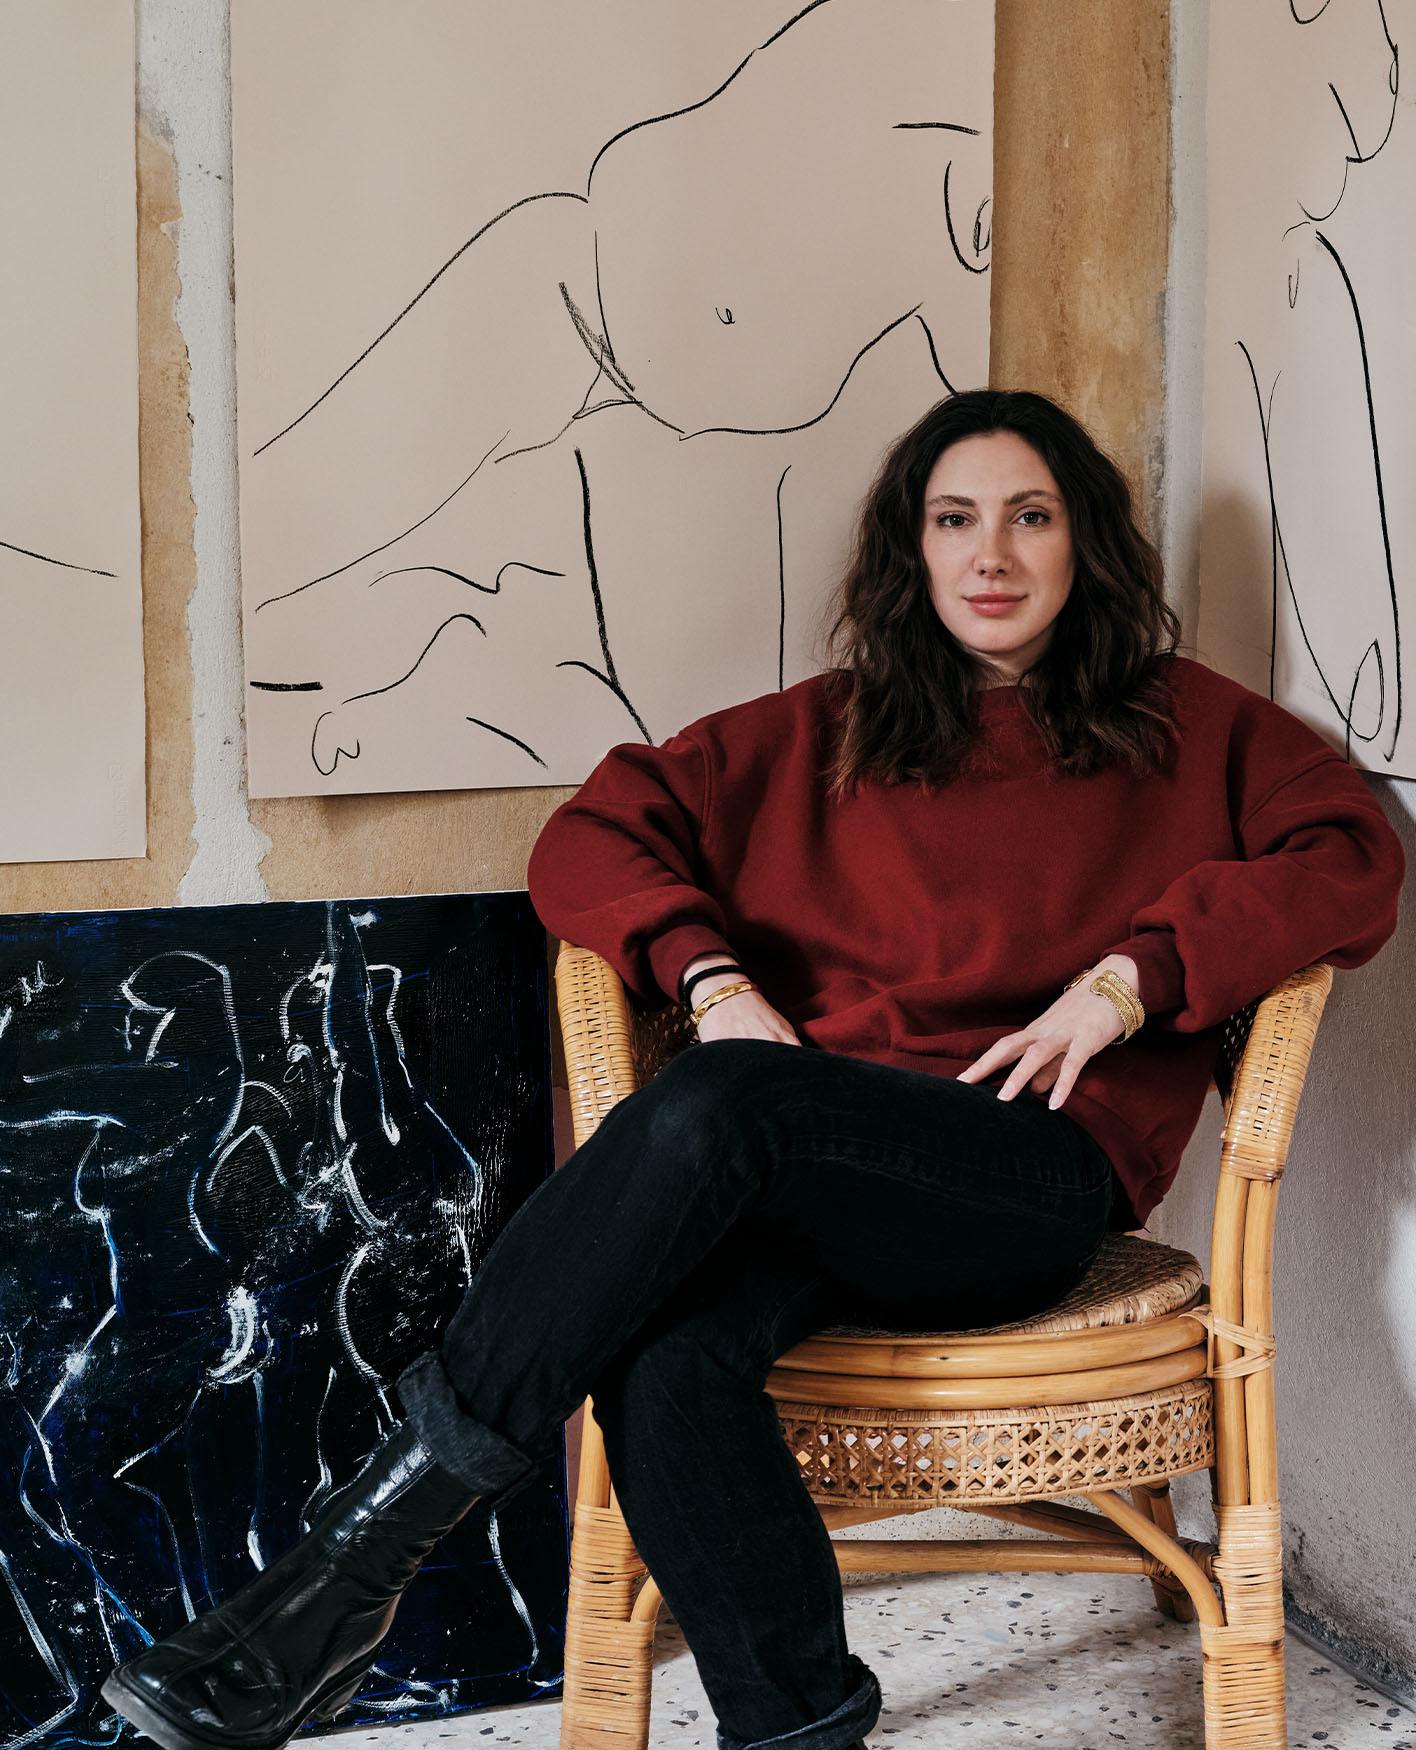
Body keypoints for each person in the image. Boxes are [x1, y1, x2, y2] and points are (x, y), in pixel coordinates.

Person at [101, 389, 1406, 1750]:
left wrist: (1131, 978)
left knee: (727, 1098)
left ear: (1087, 546)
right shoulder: (816, 734)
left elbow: (1350, 858)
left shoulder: (1190, 729)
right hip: (806, 1168)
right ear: (912, 549)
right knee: (666, 1352)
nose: (993, 555)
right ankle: (794, 1729)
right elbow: (587, 838)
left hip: (1020, 1174)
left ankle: (343, 1574)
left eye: (1032, 517)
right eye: (954, 519)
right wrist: (710, 978)